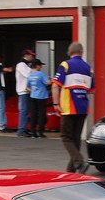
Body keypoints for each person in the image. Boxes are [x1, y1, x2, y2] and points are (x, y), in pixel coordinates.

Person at [53, 41, 93, 173]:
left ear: (69, 52)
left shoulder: (65, 65)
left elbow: (55, 85)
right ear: (81, 52)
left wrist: (55, 103)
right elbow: (91, 89)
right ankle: (70, 172)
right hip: (83, 107)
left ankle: (79, 163)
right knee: (75, 140)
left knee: (65, 137)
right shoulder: (88, 68)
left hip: (68, 107)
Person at [26, 57, 50, 138]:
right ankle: (40, 132)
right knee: (41, 115)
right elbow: (48, 82)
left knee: (33, 114)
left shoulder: (30, 75)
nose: (41, 67)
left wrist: (33, 90)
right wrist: (53, 80)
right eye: (40, 65)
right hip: (42, 97)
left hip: (33, 96)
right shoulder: (41, 74)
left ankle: (33, 132)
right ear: (37, 66)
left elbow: (27, 87)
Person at [15, 49, 35, 137]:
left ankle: (24, 129)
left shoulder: (26, 65)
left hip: (27, 91)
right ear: (26, 55)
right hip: (23, 91)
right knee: (23, 111)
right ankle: (21, 130)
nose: (32, 57)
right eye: (31, 55)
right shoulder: (21, 65)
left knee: (27, 111)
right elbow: (28, 75)